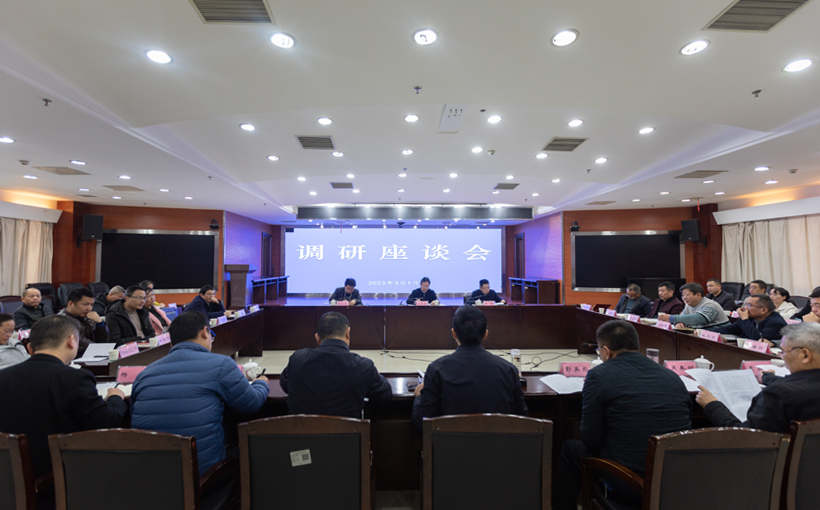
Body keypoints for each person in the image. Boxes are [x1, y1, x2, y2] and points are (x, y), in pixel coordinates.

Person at [552, 320, 691, 510]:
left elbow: (591, 440)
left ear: (606, 351)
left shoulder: (599, 375)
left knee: (570, 448)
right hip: (673, 479)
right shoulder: (671, 376)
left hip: (629, 482)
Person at [131, 311, 269, 475]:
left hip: (151, 475)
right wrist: (261, 382)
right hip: (203, 476)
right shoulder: (221, 364)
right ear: (205, 332)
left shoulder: (145, 374)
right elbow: (251, 403)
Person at [0, 315, 126, 480]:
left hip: (9, 474)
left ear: (30, 348)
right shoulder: (75, 378)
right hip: (62, 474)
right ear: (71, 341)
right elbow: (107, 422)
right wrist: (115, 397)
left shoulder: (3, 377)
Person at [412, 306, 527, 431]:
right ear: (485, 334)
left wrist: (419, 397)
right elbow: (522, 419)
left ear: (454, 333)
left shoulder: (437, 370)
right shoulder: (509, 370)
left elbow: (421, 424)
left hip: (452, 443)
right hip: (499, 443)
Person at [697, 323, 820, 433]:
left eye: (783, 351)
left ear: (805, 355)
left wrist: (712, 405)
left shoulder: (778, 393)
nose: (781, 356)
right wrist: (768, 378)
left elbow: (746, 437)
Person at [280, 312, 391, 417]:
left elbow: (285, 385)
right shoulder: (363, 366)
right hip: (348, 431)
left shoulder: (298, 359)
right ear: (348, 333)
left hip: (301, 431)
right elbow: (384, 396)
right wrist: (377, 376)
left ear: (317, 338)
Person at [708, 294, 787, 346]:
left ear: (764, 310)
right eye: (745, 304)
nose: (745, 308)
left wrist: (745, 319)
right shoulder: (751, 317)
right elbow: (729, 329)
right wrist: (705, 331)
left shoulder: (776, 323)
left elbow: (758, 340)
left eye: (749, 305)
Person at [58, 287, 109, 356]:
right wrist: (100, 349)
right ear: (70, 304)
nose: (89, 308)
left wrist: (100, 324)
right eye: (85, 304)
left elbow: (103, 342)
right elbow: (81, 344)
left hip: (92, 355)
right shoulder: (61, 321)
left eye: (91, 305)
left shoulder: (87, 317)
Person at [659, 282, 730, 329]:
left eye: (687, 295)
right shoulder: (688, 305)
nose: (684, 298)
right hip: (699, 334)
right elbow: (682, 317)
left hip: (720, 335)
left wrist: (671, 318)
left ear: (698, 295)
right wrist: (678, 323)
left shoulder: (710, 304)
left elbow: (698, 319)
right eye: (683, 295)